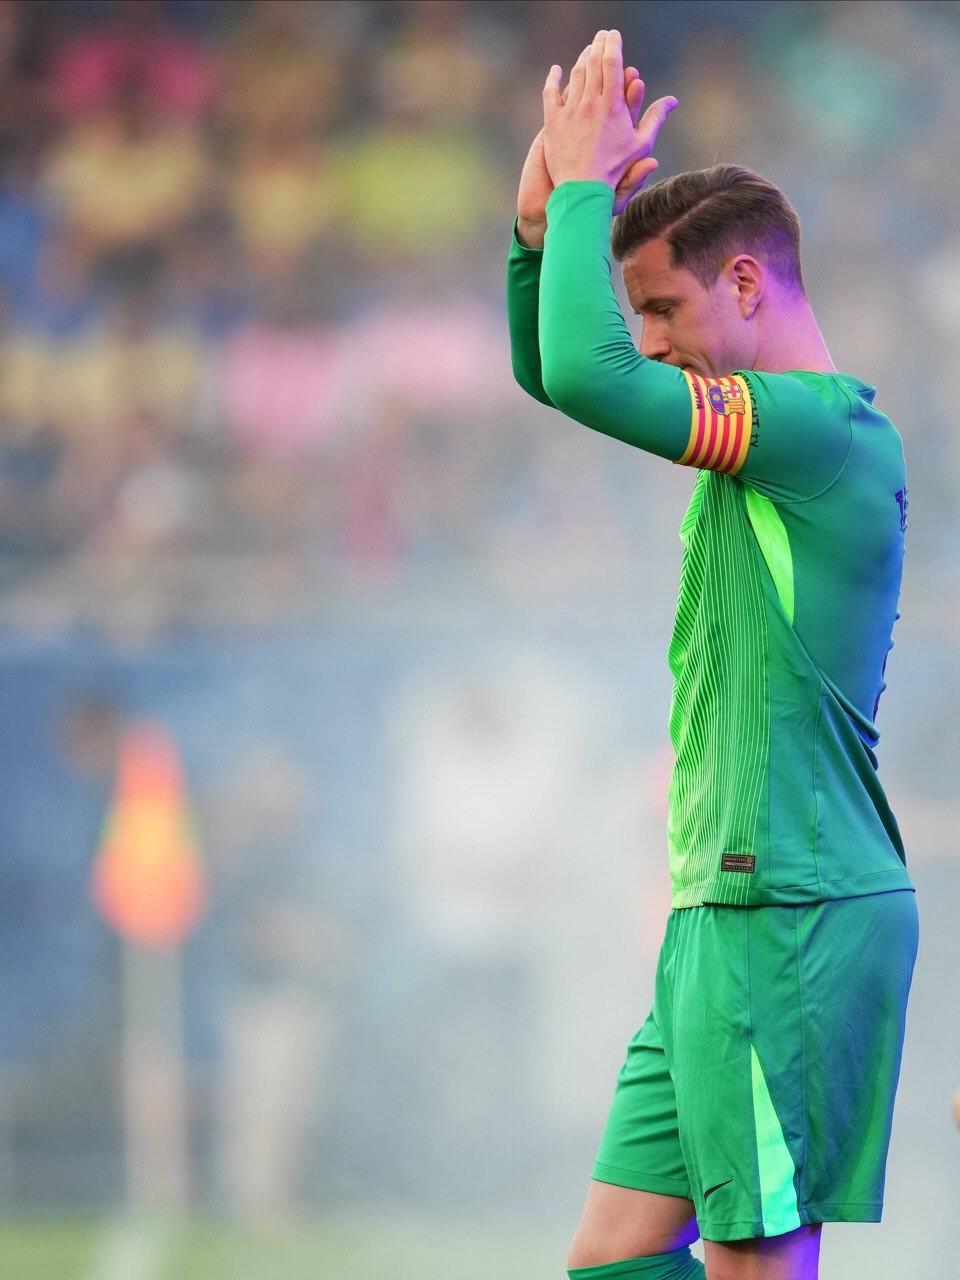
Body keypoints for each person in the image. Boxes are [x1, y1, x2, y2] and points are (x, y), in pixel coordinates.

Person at [507, 29, 918, 1280]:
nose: (647, 337)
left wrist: (587, 199)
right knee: (617, 1258)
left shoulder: (819, 431)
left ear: (745, 283)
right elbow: (559, 372)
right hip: (722, 908)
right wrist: (538, 233)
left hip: (788, 907)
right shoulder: (766, 437)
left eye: (663, 308)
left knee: (753, 1265)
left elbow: (587, 375)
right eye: (637, 310)